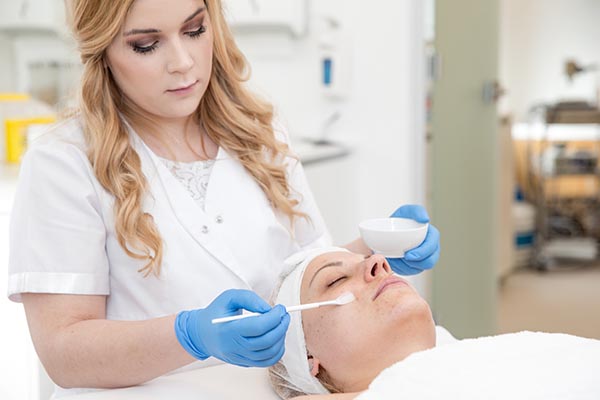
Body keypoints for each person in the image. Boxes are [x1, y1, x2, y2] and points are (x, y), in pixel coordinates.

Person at [6, 0, 441, 397]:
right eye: (146, 45)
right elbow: (63, 352)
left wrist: (374, 255)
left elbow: (302, 275)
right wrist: (188, 335)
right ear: (101, 50)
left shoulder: (260, 133)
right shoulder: (64, 162)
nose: (182, 62)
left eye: (195, 30)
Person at [268, 247, 600, 399]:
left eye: (371, 259)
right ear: (310, 361)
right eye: (336, 279)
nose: (380, 263)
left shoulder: (505, 356)